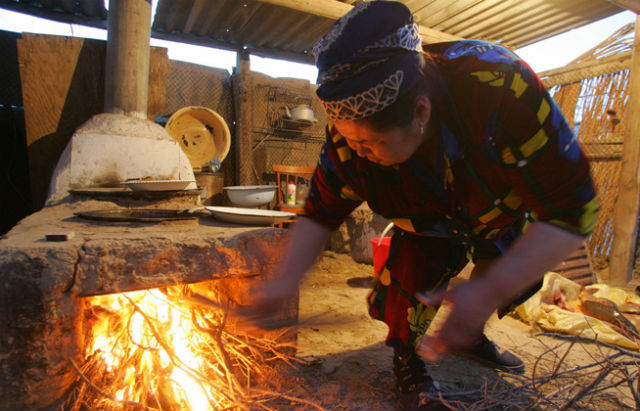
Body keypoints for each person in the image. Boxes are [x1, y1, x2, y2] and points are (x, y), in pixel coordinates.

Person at [242, 1, 599, 409]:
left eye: (370, 144)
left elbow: (574, 208)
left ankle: (470, 333)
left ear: (420, 112)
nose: (358, 152)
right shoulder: (348, 143)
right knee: (410, 280)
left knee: (504, 264)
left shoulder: (499, 89)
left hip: (495, 205)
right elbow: (320, 213)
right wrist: (284, 281)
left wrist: (487, 291)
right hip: (424, 221)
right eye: (350, 141)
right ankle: (406, 357)